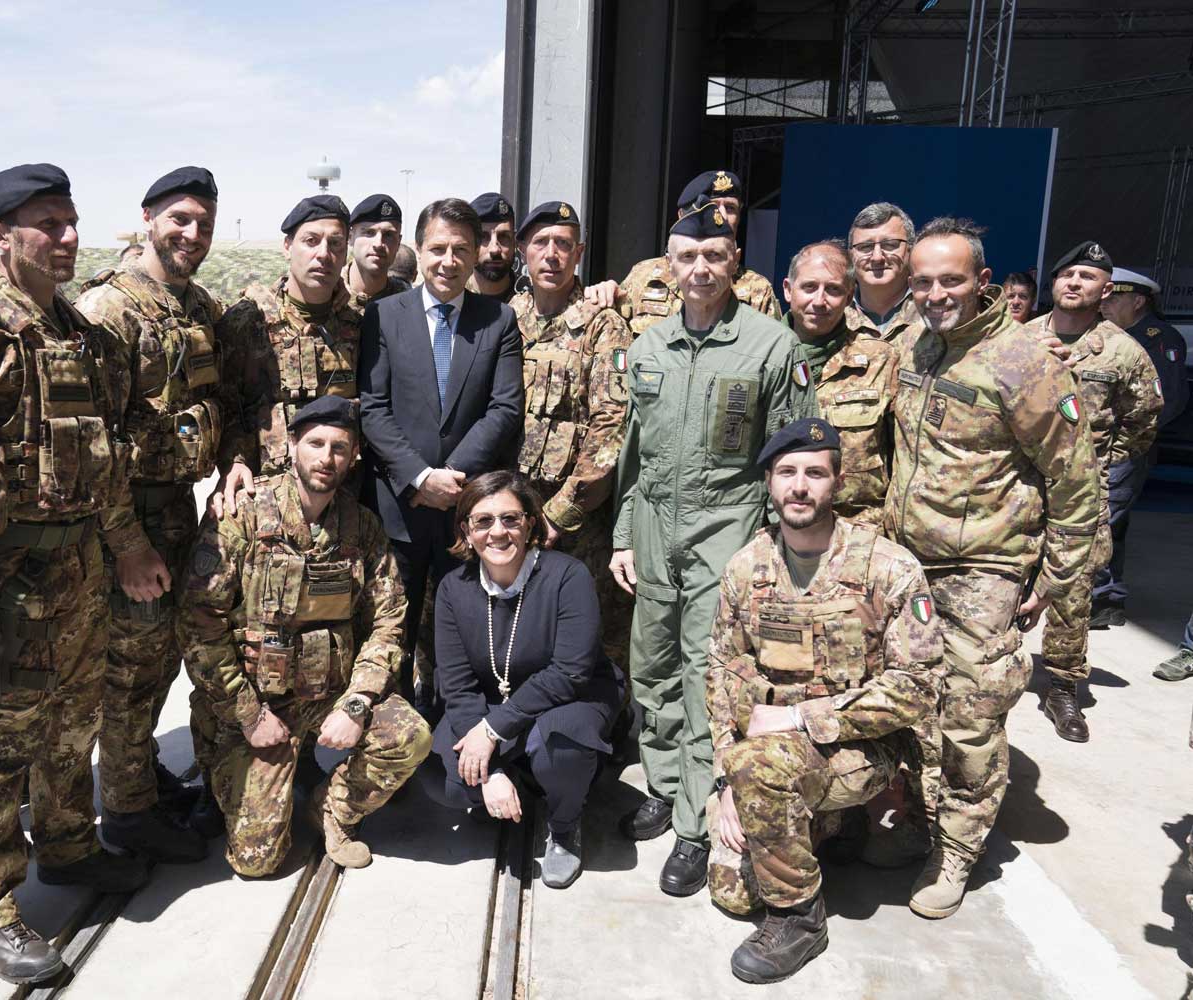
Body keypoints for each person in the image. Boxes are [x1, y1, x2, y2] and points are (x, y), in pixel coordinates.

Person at [0, 163, 164, 984]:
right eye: (48, 224)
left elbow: (105, 459)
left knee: (73, 725)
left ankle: (69, 845)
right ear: (0, 235)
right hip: (6, 581)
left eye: (71, 221)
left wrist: (128, 545)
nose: (67, 237)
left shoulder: (78, 332)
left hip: (78, 569)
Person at [887, 217, 1097, 919]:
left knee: (969, 716)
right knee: (913, 706)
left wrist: (1054, 580)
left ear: (982, 282)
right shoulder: (917, 345)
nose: (935, 293)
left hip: (985, 568)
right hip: (911, 564)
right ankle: (918, 821)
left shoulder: (1026, 363)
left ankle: (956, 850)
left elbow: (1076, 482)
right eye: (923, 281)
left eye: (950, 280)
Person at [609, 197, 811, 897]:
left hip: (726, 529)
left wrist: (773, 548)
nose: (701, 267)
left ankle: (697, 820)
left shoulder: (770, 346)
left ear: (736, 263)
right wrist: (622, 536)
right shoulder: (649, 348)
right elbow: (632, 454)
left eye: (714, 255)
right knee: (652, 665)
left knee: (706, 675)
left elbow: (790, 456)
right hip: (652, 528)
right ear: (668, 265)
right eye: (688, 256)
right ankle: (664, 785)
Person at [705, 418, 944, 983]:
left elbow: (919, 685)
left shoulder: (887, 566)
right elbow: (721, 672)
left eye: (815, 473)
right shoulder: (748, 567)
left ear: (837, 482)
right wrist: (725, 780)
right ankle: (832, 824)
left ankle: (799, 918)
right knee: (733, 891)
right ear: (769, 482)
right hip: (769, 755)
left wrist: (797, 718)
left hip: (864, 747)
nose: (799, 486)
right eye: (786, 472)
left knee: (762, 773)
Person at [177, 395, 430, 875]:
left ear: (353, 457)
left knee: (410, 736)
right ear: (291, 445)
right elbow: (198, 622)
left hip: (331, 690)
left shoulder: (361, 527)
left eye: (339, 447)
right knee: (257, 860)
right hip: (259, 701)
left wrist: (358, 703)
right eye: (315, 443)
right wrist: (249, 716)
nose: (326, 458)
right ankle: (236, 774)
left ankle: (332, 808)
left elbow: (389, 621)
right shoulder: (244, 516)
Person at [75, 165, 232, 861]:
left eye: (204, 223)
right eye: (179, 220)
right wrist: (128, 545)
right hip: (125, 517)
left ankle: (136, 778)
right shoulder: (107, 310)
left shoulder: (198, 306)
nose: (192, 234)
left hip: (173, 507)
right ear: (148, 219)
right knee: (128, 673)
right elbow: (93, 444)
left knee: (158, 660)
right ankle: (127, 816)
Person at [358, 196, 524, 707]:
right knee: (391, 634)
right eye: (437, 249)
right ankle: (388, 732)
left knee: (465, 635)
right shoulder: (384, 316)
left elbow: (504, 409)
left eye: (460, 250)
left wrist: (451, 477)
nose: (448, 261)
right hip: (399, 509)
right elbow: (372, 407)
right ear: (418, 249)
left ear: (475, 254)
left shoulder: (498, 320)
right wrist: (418, 477)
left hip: (465, 511)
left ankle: (461, 727)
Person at [432, 471, 623, 889]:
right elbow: (457, 684)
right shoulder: (453, 589)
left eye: (510, 519)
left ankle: (565, 823)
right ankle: (517, 781)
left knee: (560, 748)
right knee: (446, 780)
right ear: (466, 531)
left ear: (530, 523)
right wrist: (492, 771)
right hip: (495, 704)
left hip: (571, 698)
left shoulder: (567, 576)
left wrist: (492, 731)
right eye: (483, 521)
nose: (497, 532)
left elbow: (570, 672)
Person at [1023, 242, 1159, 741]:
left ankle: (1062, 687)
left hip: (1080, 492)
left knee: (1072, 590)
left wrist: (1098, 465)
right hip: (1016, 485)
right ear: (1054, 282)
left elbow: (1144, 419)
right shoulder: (1019, 338)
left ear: (1106, 290)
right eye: (1068, 274)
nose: (1075, 282)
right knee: (1002, 578)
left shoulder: (1123, 351)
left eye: (1088, 276)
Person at [507, 200, 634, 668]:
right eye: (540, 243)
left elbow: (612, 424)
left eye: (563, 244)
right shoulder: (506, 319)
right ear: (523, 250)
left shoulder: (604, 325)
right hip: (512, 511)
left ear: (579, 253)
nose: (551, 254)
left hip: (577, 520)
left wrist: (560, 513)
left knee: (589, 639)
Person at [217, 194, 364, 501]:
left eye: (335, 244)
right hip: (264, 495)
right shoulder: (248, 321)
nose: (323, 254)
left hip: (342, 498)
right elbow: (226, 403)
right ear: (287, 246)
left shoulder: (359, 325)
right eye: (311, 241)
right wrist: (235, 460)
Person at [1092, 267, 1190, 632]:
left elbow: (1170, 400)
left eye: (1114, 298)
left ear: (1138, 301)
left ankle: (1099, 598)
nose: (1105, 305)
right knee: (1107, 521)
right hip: (1099, 447)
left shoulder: (1158, 338)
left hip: (1128, 449)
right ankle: (1108, 598)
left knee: (1101, 521)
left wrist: (1128, 441)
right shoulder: (1107, 336)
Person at [782, 240, 898, 526]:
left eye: (833, 290)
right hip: (779, 526)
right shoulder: (759, 357)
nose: (819, 301)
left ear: (849, 297)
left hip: (858, 528)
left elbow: (903, 459)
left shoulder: (880, 361)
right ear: (787, 290)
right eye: (809, 287)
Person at [586, 170, 781, 332]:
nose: (721, 215)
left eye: (730, 208)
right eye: (711, 206)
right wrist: (605, 296)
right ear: (681, 216)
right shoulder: (643, 276)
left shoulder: (758, 290)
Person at [846, 202, 922, 343]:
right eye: (865, 247)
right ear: (851, 255)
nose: (877, 257)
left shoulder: (933, 309)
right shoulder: (832, 317)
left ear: (911, 250)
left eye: (890, 245)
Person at [342, 194, 410, 310]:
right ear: (350, 237)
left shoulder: (407, 301)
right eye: (369, 232)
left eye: (388, 235)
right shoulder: (328, 291)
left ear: (398, 242)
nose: (378, 244)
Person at [467, 192, 519, 304]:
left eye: (504, 236)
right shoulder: (454, 298)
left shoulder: (534, 300)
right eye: (483, 237)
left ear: (515, 242)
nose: (494, 250)